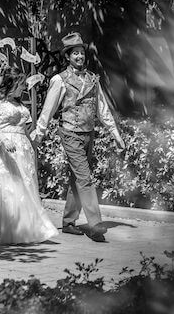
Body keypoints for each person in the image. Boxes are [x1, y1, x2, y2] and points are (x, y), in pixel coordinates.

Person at [31, 32, 125, 243]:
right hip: (70, 132)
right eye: (75, 53)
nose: (79, 57)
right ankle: (95, 224)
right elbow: (48, 109)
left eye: (81, 53)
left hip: (88, 133)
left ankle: (69, 221)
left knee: (78, 178)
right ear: (68, 57)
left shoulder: (93, 79)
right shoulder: (59, 80)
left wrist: (115, 134)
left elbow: (102, 108)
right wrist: (39, 133)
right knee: (85, 177)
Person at [0, 66, 59, 245]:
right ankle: (7, 228)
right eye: (21, 84)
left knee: (24, 187)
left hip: (22, 150)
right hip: (2, 149)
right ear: (10, 84)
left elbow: (26, 128)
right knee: (8, 187)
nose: (24, 88)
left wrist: (34, 141)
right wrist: (4, 140)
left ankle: (25, 226)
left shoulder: (19, 104)